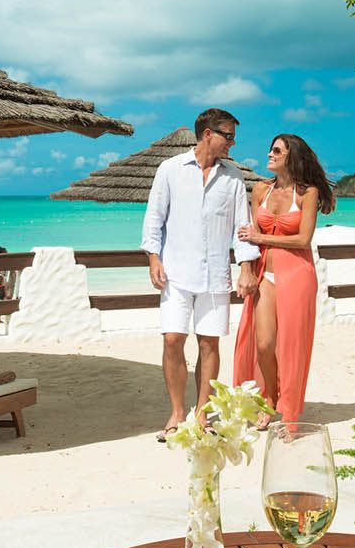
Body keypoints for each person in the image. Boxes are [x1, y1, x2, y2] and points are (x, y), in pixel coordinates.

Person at [141, 109, 259, 442]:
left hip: (215, 274)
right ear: (208, 134)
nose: (232, 143)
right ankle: (177, 412)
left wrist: (246, 267)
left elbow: (242, 227)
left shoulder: (234, 178)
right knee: (172, 340)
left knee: (209, 344)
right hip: (175, 272)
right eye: (229, 136)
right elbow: (154, 218)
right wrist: (153, 257)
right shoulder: (170, 170)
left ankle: (202, 414)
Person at [232, 133, 335, 428]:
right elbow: (247, 237)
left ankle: (288, 410)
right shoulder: (260, 189)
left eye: (277, 150)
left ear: (292, 156)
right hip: (265, 272)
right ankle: (270, 398)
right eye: (270, 149)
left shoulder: (308, 193)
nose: (270, 154)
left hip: (297, 275)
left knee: (291, 345)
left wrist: (260, 236)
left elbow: (304, 239)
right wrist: (247, 269)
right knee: (263, 344)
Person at [0, 245, 18, 323]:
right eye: (6, 252)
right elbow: (5, 274)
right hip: (2, 284)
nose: (8, 253)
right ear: (4, 253)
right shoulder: (4, 260)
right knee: (3, 300)